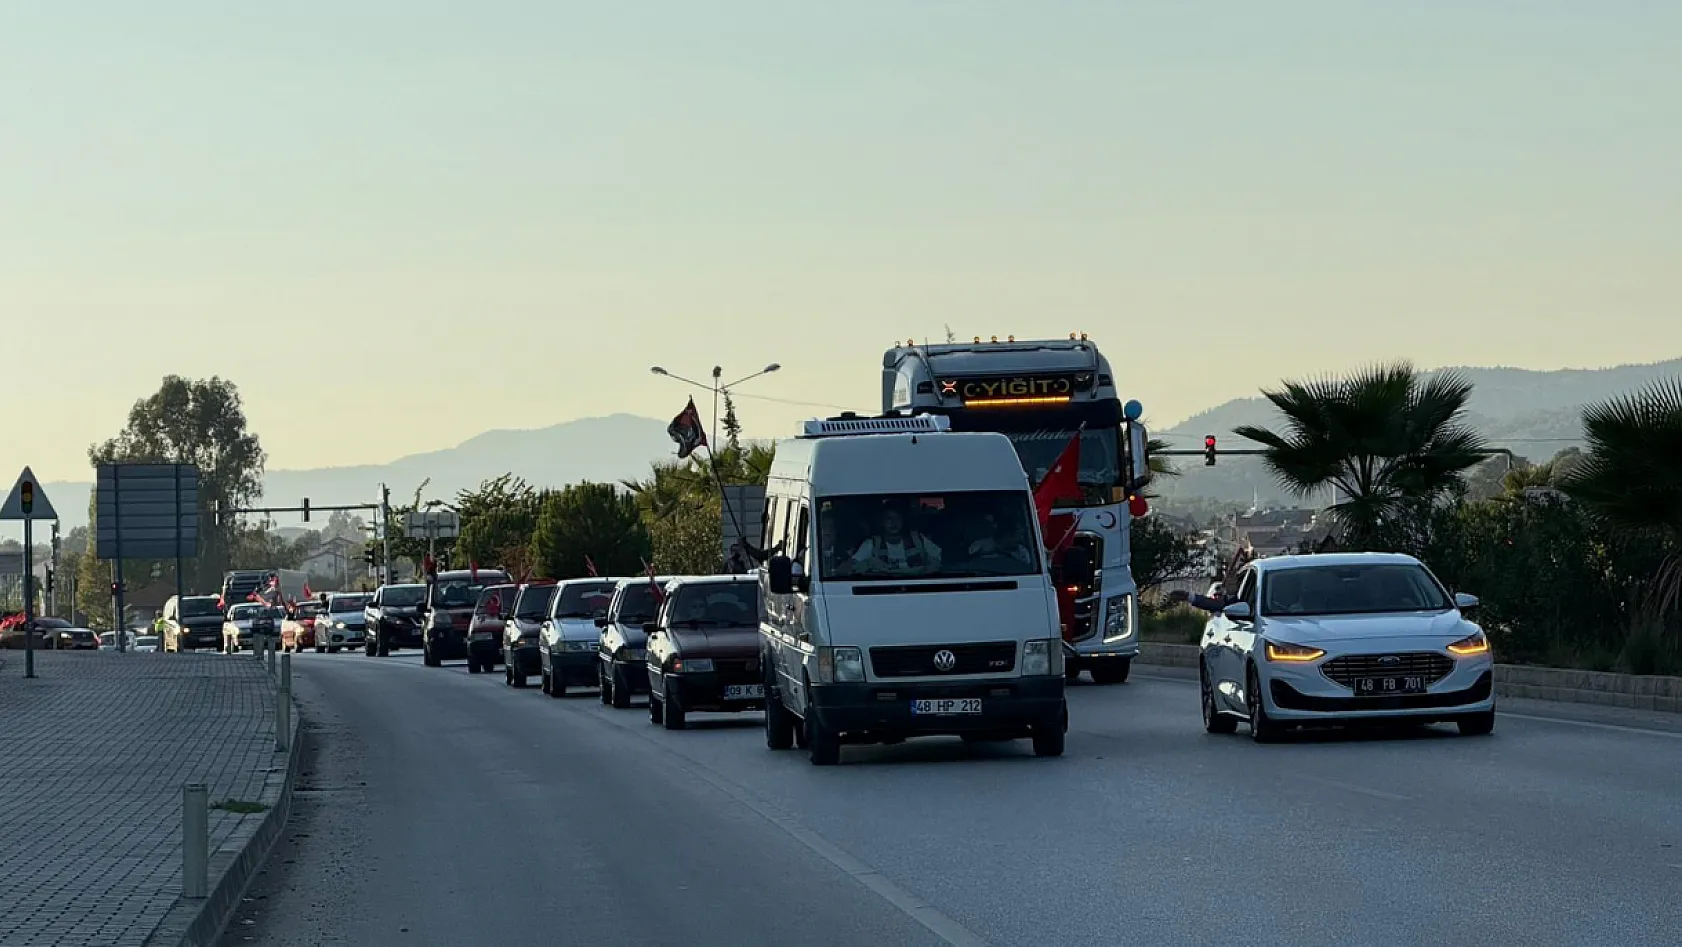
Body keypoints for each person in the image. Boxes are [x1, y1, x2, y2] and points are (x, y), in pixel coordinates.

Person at [851, 506, 941, 574]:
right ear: (881, 522)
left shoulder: (918, 539)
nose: (893, 522)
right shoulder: (872, 544)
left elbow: (939, 559)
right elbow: (853, 566)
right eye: (888, 518)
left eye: (897, 518)